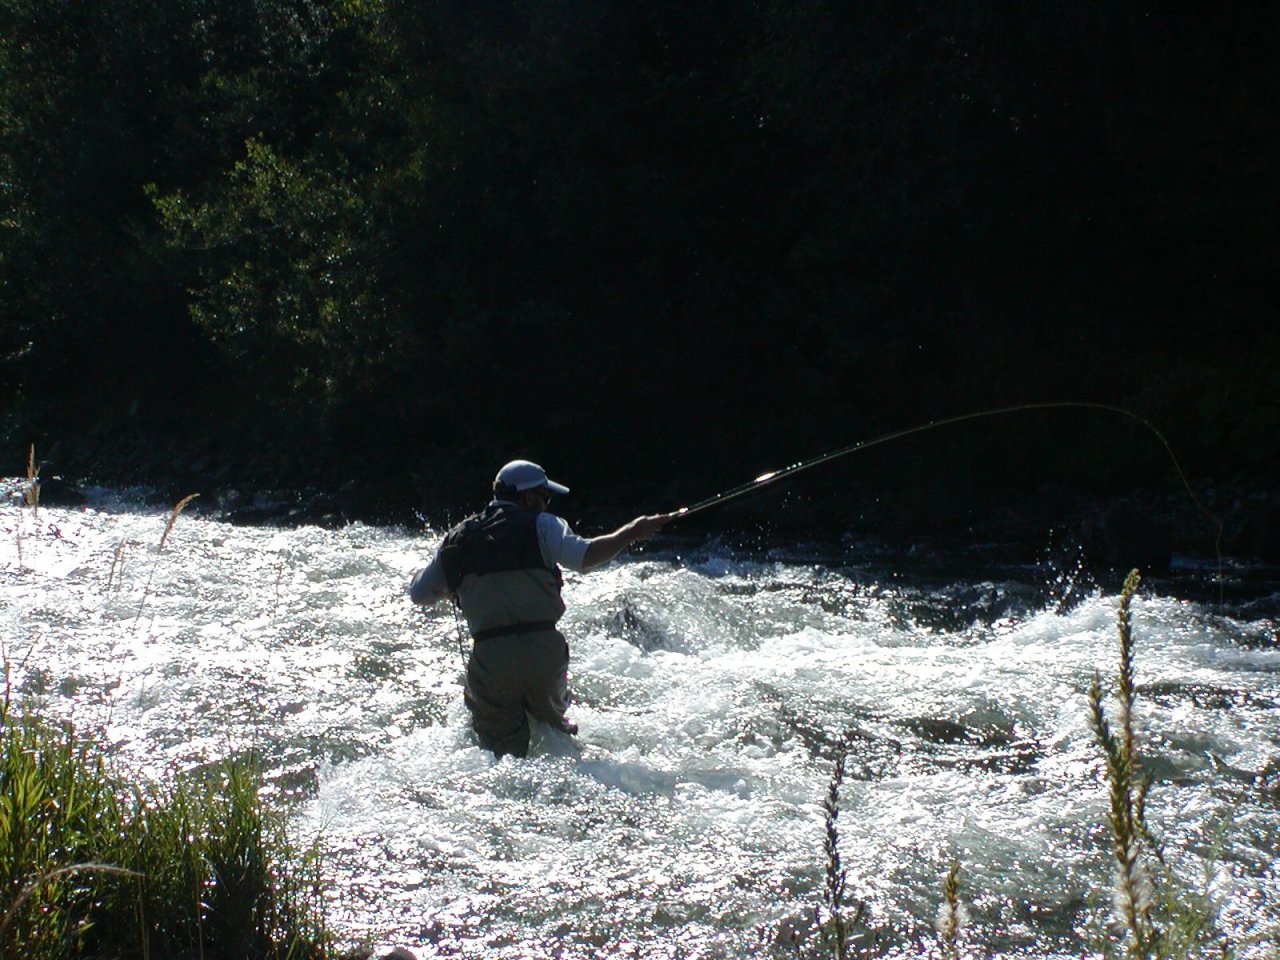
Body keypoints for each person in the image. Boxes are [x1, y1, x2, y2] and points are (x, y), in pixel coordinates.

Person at [410, 460, 673, 758]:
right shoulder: (543, 525)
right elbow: (585, 557)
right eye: (545, 497)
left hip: (490, 656)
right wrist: (631, 532)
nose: (546, 505)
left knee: (498, 754)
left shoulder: (458, 538)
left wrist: (451, 587)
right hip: (543, 652)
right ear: (528, 497)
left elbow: (419, 594)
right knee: (558, 742)